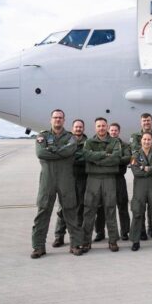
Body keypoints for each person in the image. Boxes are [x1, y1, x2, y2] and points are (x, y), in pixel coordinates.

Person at [31, 109, 83, 258]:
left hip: (66, 179)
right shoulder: (42, 136)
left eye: (60, 118)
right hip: (48, 179)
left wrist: (52, 150)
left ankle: (75, 244)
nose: (57, 120)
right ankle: (38, 247)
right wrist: (61, 151)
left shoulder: (70, 137)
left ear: (64, 120)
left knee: (71, 211)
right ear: (50, 120)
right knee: (43, 211)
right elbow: (41, 153)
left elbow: (70, 150)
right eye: (55, 117)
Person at [81, 117, 121, 252]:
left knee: (110, 209)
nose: (101, 128)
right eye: (99, 126)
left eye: (104, 126)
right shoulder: (89, 142)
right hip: (93, 179)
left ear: (107, 126)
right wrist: (105, 155)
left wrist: (96, 160)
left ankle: (113, 241)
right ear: (95, 127)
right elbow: (87, 155)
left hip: (109, 179)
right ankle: (86, 241)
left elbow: (116, 158)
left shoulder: (115, 141)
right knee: (89, 210)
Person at [52, 118, 87, 248]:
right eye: (76, 127)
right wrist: (75, 156)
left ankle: (77, 238)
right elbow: (63, 154)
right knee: (63, 209)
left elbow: (86, 157)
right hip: (66, 178)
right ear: (72, 128)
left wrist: (71, 155)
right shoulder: (67, 140)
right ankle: (59, 237)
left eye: (80, 127)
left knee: (79, 209)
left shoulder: (87, 142)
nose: (78, 129)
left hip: (82, 179)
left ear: (83, 128)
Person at [93, 123, 131, 241]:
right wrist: (113, 159)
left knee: (122, 206)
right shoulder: (105, 144)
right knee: (101, 207)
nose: (114, 132)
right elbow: (99, 157)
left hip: (119, 179)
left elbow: (127, 158)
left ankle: (124, 232)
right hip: (105, 178)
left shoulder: (124, 145)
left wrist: (112, 159)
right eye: (112, 130)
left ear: (119, 132)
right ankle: (100, 232)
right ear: (109, 131)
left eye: (116, 130)